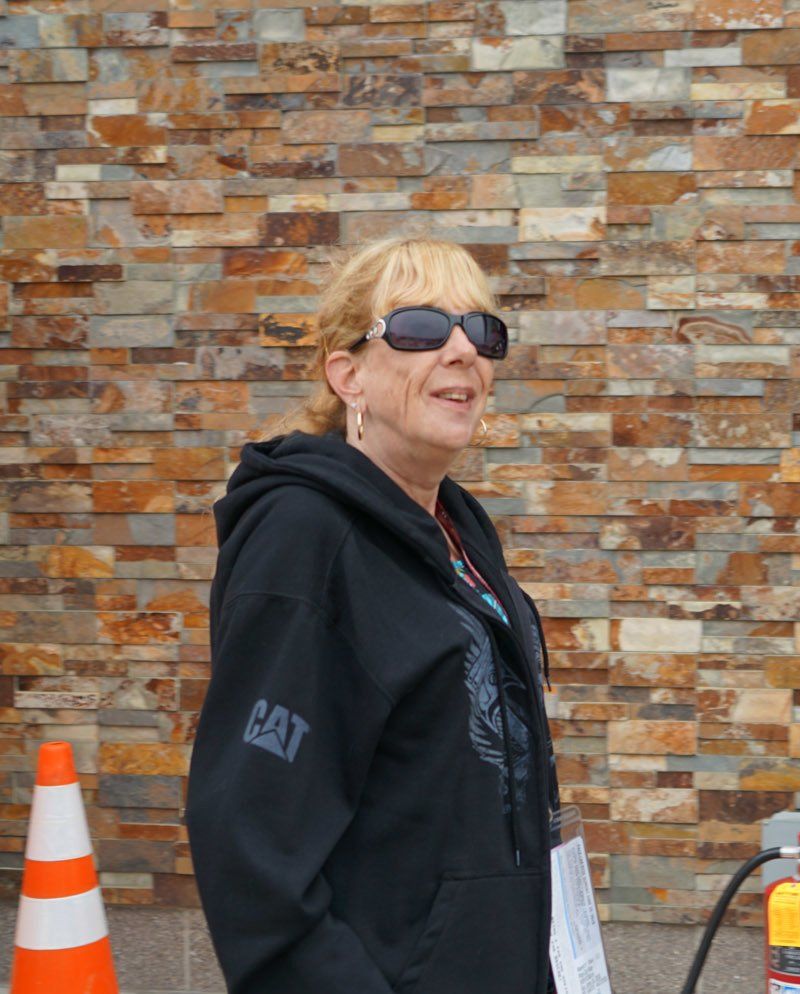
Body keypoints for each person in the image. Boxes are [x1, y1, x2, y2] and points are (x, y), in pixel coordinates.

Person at [187, 237, 556, 994]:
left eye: (482, 331)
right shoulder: (303, 538)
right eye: (421, 327)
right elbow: (251, 846)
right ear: (346, 373)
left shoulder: (459, 528)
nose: (462, 351)